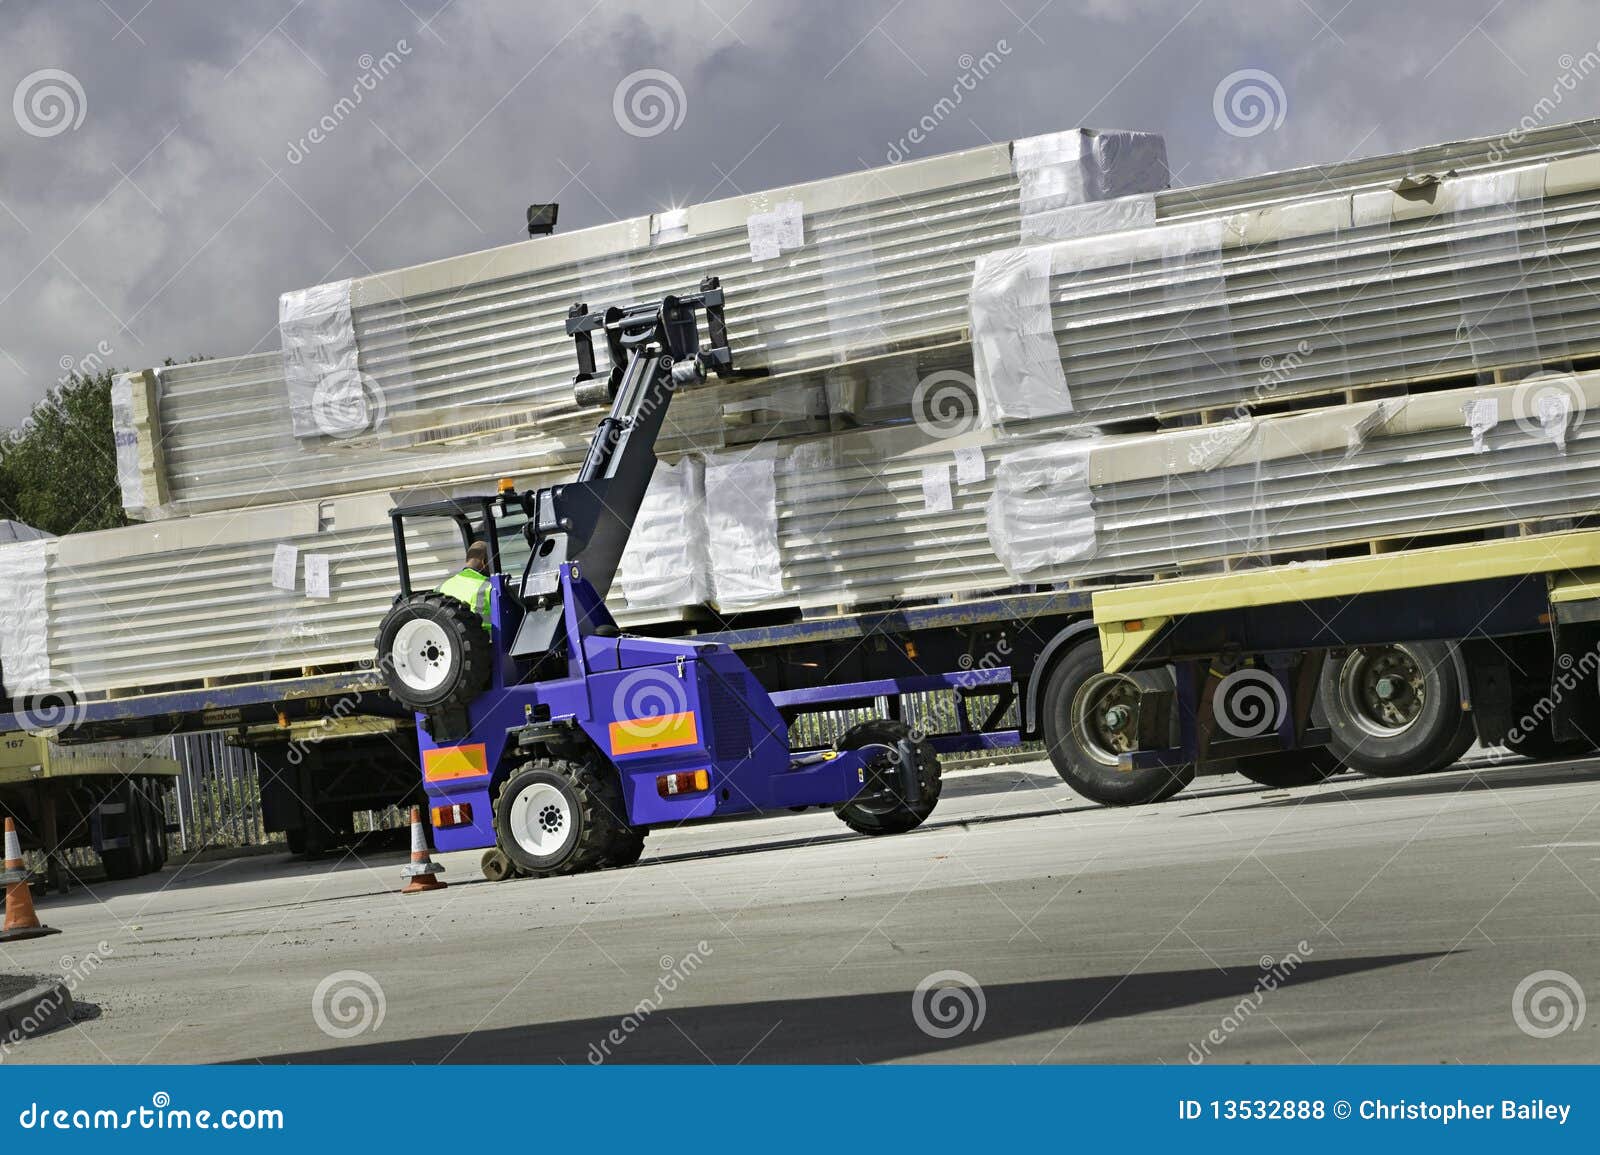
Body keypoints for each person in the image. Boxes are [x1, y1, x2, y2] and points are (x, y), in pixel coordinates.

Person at [436, 541, 493, 627]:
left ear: (467, 560)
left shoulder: (440, 588)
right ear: (484, 562)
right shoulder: (491, 587)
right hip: (486, 639)